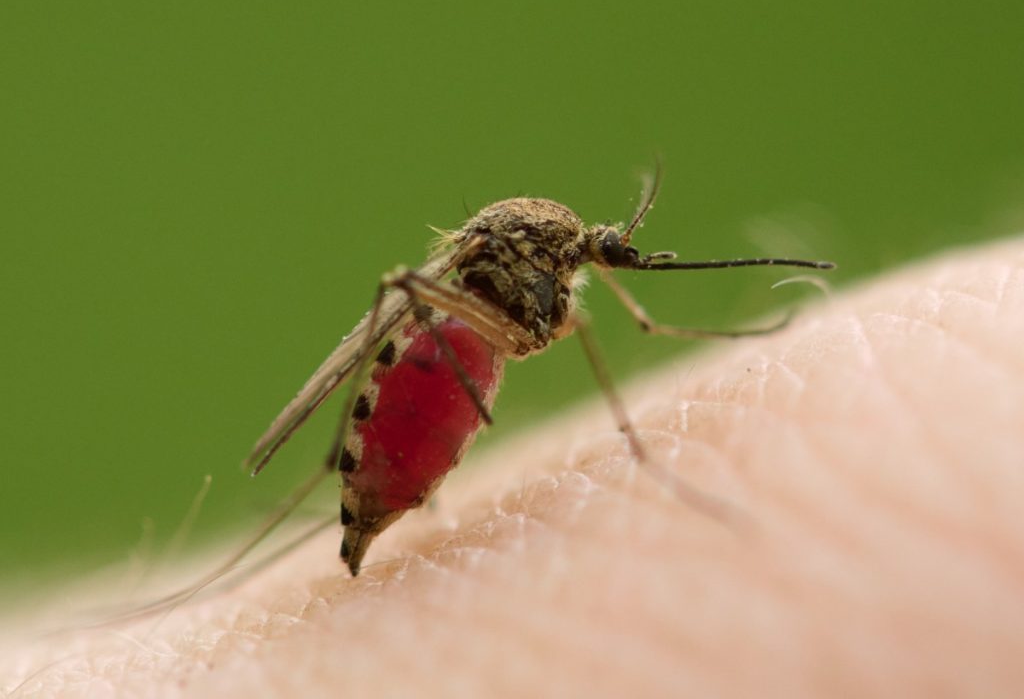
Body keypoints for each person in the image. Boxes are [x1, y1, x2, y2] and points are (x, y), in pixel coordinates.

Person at [6, 239, 1023, 697]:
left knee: (519, 314)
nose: (612, 267)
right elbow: (420, 293)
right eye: (610, 255)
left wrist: (664, 317)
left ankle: (346, 492)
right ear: (576, 246)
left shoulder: (559, 282)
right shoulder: (526, 277)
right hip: (432, 352)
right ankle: (340, 485)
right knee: (412, 290)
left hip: (451, 344)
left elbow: (596, 301)